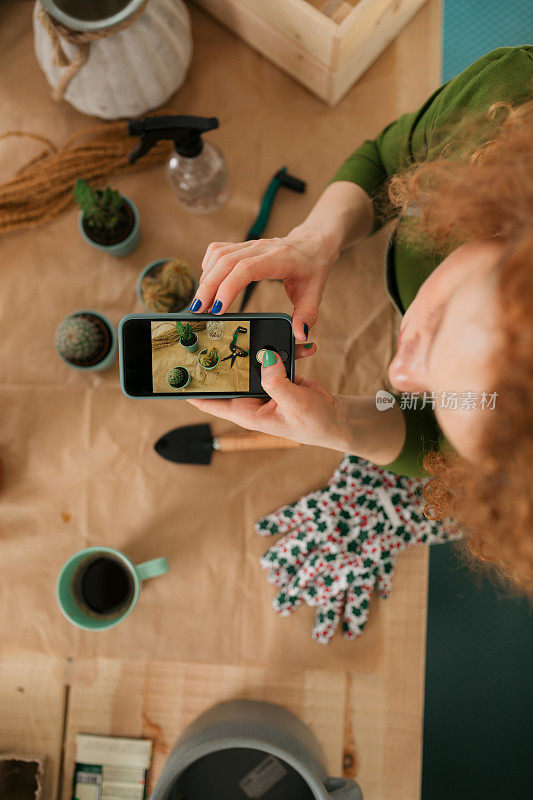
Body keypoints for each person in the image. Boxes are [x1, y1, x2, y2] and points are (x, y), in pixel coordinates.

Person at [187, 47, 533, 587]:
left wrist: (341, 426)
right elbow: (387, 160)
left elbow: (436, 444)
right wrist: (314, 238)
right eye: (437, 329)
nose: (397, 376)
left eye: (450, 399)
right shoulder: (504, 106)